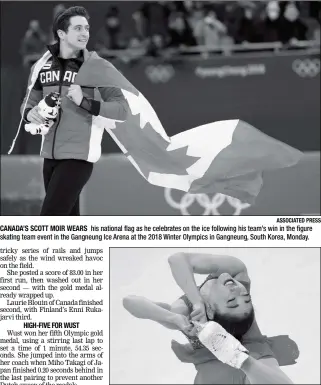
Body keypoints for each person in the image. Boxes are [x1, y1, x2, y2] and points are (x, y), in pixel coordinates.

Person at [17, 6, 130, 215]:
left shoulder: (97, 67)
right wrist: (29, 113)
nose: (84, 33)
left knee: (51, 218)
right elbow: (28, 101)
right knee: (68, 225)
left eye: (86, 28)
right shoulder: (41, 66)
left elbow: (122, 110)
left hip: (78, 157)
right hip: (50, 157)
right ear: (61, 33)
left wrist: (85, 102)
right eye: (78, 28)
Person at [123, 253, 294, 384]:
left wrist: (241, 359)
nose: (239, 292)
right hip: (210, 360)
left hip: (248, 345)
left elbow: (130, 302)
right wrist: (176, 316)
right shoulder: (236, 272)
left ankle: (242, 360)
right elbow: (176, 260)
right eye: (246, 297)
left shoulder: (185, 310)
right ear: (209, 311)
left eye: (233, 301)